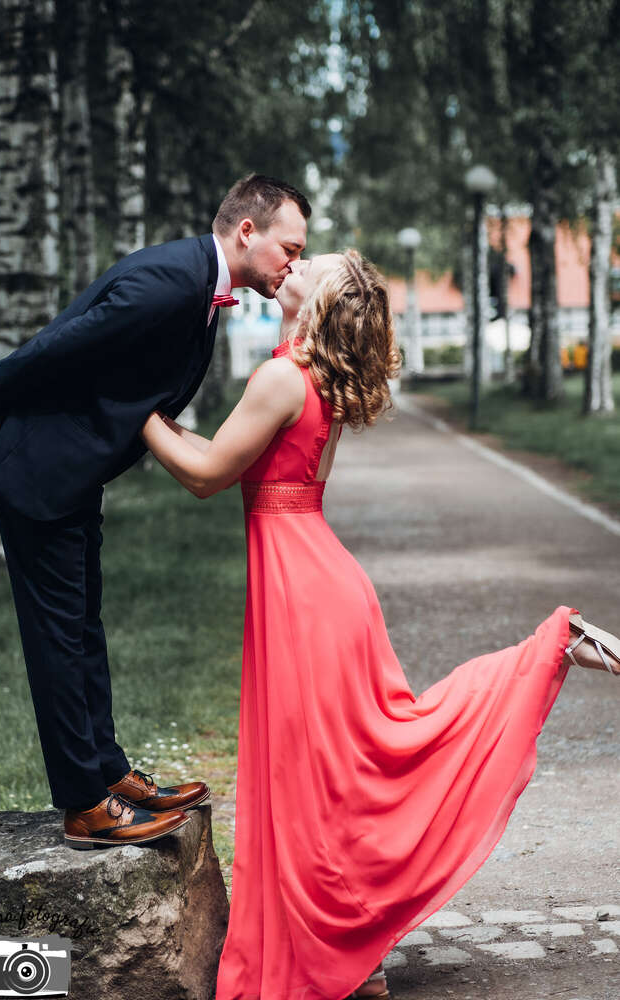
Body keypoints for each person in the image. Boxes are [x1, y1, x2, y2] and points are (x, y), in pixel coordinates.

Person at [141, 248, 620, 999]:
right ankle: (347, 955)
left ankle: (553, 645)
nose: (293, 266)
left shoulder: (281, 378)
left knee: (325, 772)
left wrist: (132, 411)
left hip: (304, 593)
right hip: (319, 582)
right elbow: (229, 460)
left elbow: (206, 476)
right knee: (341, 769)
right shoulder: (307, 379)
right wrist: (162, 420)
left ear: (320, 305)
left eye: (310, 267)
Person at [0, 174, 311, 851]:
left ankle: (108, 772)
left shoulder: (197, 285)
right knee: (58, 638)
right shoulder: (172, 281)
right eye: (288, 249)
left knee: (82, 626)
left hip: (71, 473)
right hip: (39, 469)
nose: (292, 264)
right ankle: (85, 805)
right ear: (247, 232)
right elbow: (61, 344)